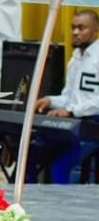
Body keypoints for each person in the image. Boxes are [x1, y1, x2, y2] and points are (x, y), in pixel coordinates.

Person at [30, 10, 99, 183]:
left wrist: (70, 111)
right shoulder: (74, 59)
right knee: (31, 152)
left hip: (92, 126)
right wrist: (50, 101)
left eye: (81, 28)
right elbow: (69, 97)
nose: (75, 32)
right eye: (73, 27)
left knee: (61, 166)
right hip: (73, 125)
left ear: (96, 29)